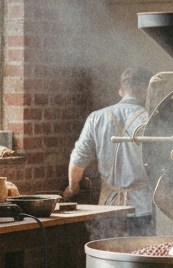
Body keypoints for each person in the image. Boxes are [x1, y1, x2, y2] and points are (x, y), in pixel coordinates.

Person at [65, 67, 156, 235]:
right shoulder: (152, 119)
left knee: (108, 256)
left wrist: (73, 187)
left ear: (122, 91)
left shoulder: (96, 117)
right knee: (141, 254)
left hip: (108, 209)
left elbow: (77, 161)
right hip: (143, 210)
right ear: (147, 91)